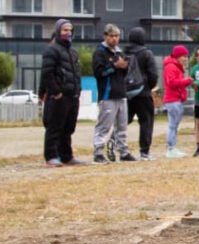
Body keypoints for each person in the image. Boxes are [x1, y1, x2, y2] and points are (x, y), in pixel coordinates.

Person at [40, 19, 83, 167]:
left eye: (70, 30)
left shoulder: (73, 52)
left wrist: (78, 91)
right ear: (58, 31)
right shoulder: (52, 50)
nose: (68, 33)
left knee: (68, 128)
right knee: (54, 127)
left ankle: (66, 156)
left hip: (72, 95)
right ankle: (51, 156)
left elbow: (76, 73)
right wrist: (56, 92)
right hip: (59, 97)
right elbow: (47, 74)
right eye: (65, 30)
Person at [91, 24, 135, 164]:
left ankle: (123, 151)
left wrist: (125, 67)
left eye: (117, 36)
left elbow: (124, 74)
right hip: (107, 95)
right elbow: (99, 73)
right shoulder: (100, 52)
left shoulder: (119, 52)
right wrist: (114, 66)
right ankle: (98, 152)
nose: (114, 39)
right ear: (105, 36)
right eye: (111, 36)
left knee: (122, 126)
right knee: (104, 126)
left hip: (121, 94)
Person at [124, 27, 159, 160]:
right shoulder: (146, 53)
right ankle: (144, 151)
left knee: (124, 120)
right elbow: (153, 75)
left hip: (127, 92)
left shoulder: (124, 52)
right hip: (143, 93)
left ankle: (116, 143)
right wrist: (148, 87)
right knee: (146, 121)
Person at [162, 45, 194, 158]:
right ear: (178, 56)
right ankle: (171, 148)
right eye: (184, 56)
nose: (185, 59)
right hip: (173, 100)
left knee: (174, 125)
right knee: (172, 125)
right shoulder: (171, 67)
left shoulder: (175, 67)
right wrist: (186, 81)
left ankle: (173, 147)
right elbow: (172, 83)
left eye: (186, 56)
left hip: (176, 99)